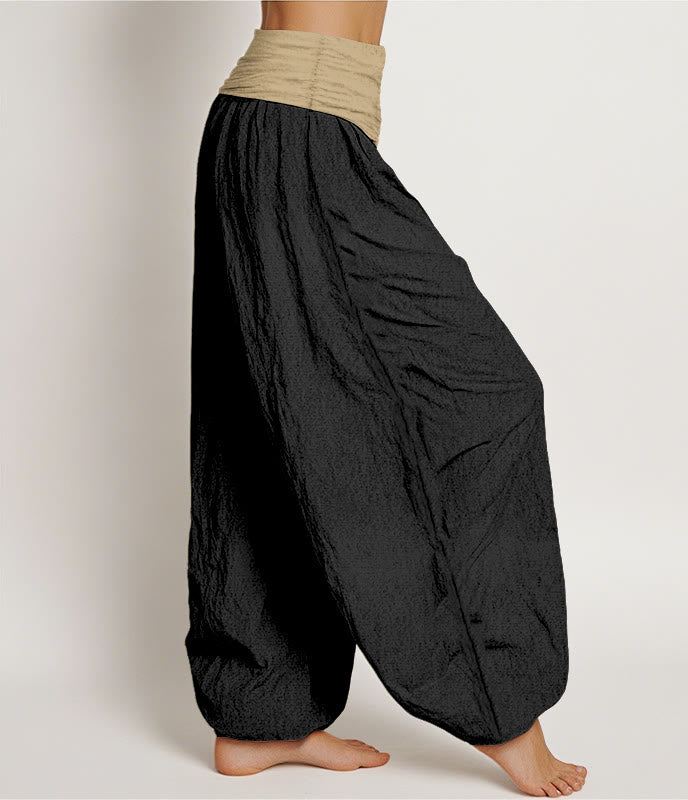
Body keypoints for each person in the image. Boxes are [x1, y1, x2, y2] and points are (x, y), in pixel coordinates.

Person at [185, 2, 588, 796]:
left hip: (290, 127)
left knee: (270, 424)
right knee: (485, 396)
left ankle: (261, 713)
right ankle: (501, 707)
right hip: (298, 129)